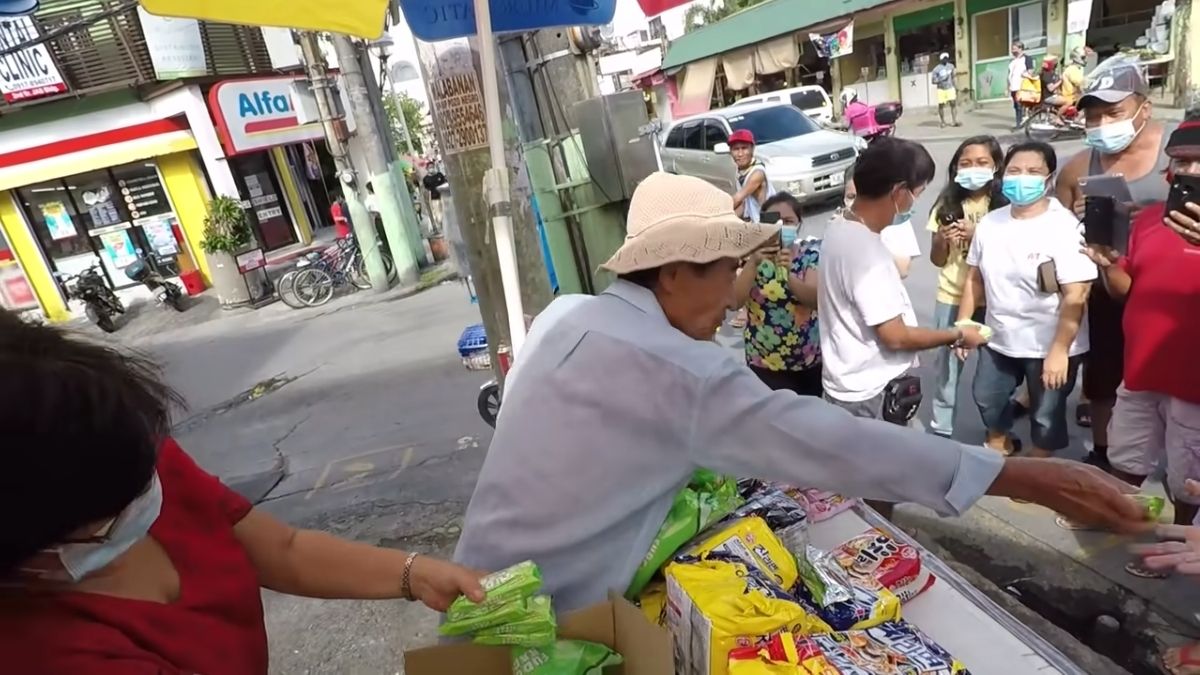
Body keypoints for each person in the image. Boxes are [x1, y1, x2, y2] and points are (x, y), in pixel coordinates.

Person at [452, 171, 1146, 614]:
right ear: (668, 275)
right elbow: (829, 441)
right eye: (726, 272)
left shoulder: (568, 313)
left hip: (472, 592)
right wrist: (1017, 476)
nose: (732, 298)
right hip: (543, 625)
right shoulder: (682, 369)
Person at [0, 313, 487, 674]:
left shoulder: (121, 455)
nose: (147, 496)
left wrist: (415, 574)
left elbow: (282, 550)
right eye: (110, 512)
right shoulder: (52, 654)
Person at [1080, 116, 1200, 540]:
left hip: (1193, 385)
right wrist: (1110, 263)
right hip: (1141, 371)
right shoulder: (1149, 219)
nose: (1189, 172)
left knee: (1188, 474)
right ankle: (1124, 521)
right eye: (1181, 162)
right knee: (1126, 457)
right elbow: (1125, 292)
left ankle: (1181, 539)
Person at [1056, 58, 1176, 467]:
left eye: (1113, 113)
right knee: (1105, 373)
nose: (1102, 124)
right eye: (1092, 116)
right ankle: (1105, 453)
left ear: (1144, 108)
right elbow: (1057, 232)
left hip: (1173, 290)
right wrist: (1075, 218)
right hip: (1107, 290)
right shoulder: (1076, 168)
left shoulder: (1180, 152)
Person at [821, 138, 988, 431]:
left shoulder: (839, 226)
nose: (914, 204)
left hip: (845, 381)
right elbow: (895, 337)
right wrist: (956, 334)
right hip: (871, 393)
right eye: (917, 194)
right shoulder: (866, 252)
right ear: (899, 192)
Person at [957, 141, 1096, 458]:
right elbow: (974, 279)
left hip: (1050, 340)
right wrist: (964, 324)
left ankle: (1040, 462)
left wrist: (1059, 352)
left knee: (1047, 412)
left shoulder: (1064, 227)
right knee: (986, 396)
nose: (1022, 178)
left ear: (1049, 179)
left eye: (1033, 171)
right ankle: (998, 437)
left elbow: (1077, 293)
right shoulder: (991, 224)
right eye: (1014, 170)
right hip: (999, 335)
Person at [926, 136, 1009, 438]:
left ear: (996, 166)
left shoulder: (1004, 204)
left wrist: (980, 234)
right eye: (966, 163)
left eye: (981, 163)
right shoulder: (946, 205)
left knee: (997, 372)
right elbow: (937, 260)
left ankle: (998, 431)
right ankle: (941, 430)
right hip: (951, 296)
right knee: (947, 370)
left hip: (994, 299)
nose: (973, 169)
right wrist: (941, 239)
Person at [733, 191, 822, 396]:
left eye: (789, 220)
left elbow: (814, 299)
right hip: (764, 362)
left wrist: (789, 275)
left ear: (799, 224)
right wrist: (753, 264)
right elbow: (735, 301)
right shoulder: (751, 257)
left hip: (807, 361)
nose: (782, 226)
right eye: (774, 221)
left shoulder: (810, 255)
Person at [844, 165, 922, 279]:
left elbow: (903, 270)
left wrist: (871, 237)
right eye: (850, 197)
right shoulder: (839, 225)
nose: (855, 204)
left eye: (861, 197)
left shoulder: (896, 221)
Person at [729, 129, 775, 221]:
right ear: (730, 151)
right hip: (757, 223)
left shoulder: (757, 173)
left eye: (744, 148)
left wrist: (716, 213)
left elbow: (738, 199)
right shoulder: (741, 172)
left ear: (752, 148)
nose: (740, 154)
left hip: (770, 223)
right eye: (736, 149)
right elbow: (743, 204)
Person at [1008, 41, 1035, 128]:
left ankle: (1020, 123)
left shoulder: (1027, 58)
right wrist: (1007, 87)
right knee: (1016, 106)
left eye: (1014, 48)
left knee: (1021, 105)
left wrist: (1026, 75)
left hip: (1022, 86)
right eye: (1012, 49)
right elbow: (1009, 74)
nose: (1012, 51)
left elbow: (1030, 71)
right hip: (1013, 87)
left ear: (1020, 49)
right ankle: (1020, 122)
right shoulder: (1012, 61)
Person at [930, 52, 961, 128]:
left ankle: (954, 121)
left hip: (950, 88)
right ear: (941, 59)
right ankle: (943, 122)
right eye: (944, 58)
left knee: (953, 103)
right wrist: (941, 79)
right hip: (941, 89)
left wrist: (956, 87)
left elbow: (953, 77)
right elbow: (933, 81)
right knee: (941, 105)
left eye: (946, 58)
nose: (945, 59)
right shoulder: (936, 69)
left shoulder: (951, 66)